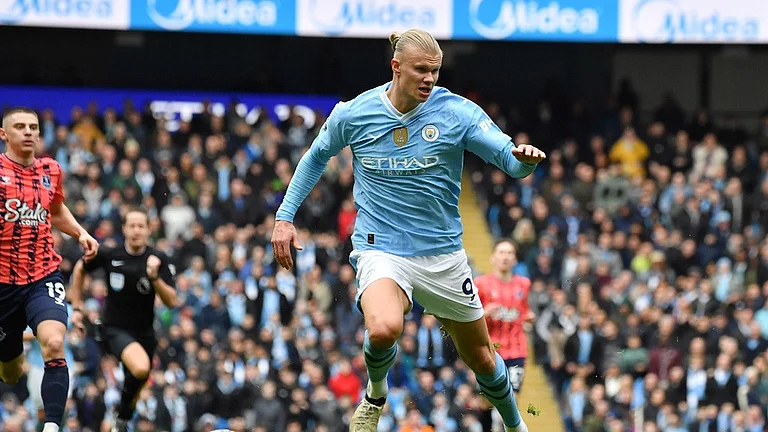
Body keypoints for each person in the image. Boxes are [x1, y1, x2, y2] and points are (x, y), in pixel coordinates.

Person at [272, 29, 546, 432]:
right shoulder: (354, 113)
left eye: (435, 71)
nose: (430, 79)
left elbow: (507, 157)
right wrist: (284, 216)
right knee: (383, 328)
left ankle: (515, 425)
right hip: (380, 246)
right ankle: (376, 394)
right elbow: (315, 158)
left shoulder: (456, 112)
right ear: (396, 67)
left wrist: (524, 161)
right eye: (421, 70)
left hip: (442, 254)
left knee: (484, 360)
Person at [0, 107, 99, 432]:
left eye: (33, 127)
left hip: (43, 275)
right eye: (20, 127)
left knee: (55, 344)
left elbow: (55, 209)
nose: (28, 132)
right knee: (10, 370)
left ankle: (53, 427)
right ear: (4, 134)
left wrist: (81, 232)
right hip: (3, 283)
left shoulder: (50, 169)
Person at [69, 207, 177, 432]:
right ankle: (121, 413)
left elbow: (171, 301)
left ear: (149, 230)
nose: (137, 230)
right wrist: (77, 307)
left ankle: (122, 419)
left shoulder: (158, 259)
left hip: (145, 333)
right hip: (114, 329)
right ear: (124, 229)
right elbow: (80, 268)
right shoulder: (111, 254)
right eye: (132, 226)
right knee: (140, 368)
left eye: (141, 226)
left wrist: (155, 278)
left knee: (138, 379)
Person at [475, 239, 534, 394]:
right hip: (490, 350)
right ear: (493, 258)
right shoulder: (481, 283)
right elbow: (471, 318)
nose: (505, 257)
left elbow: (525, 311)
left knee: (512, 396)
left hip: (517, 349)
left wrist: (529, 317)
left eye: (509, 253)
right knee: (488, 398)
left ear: (515, 259)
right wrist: (484, 313)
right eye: (501, 252)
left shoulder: (524, 284)